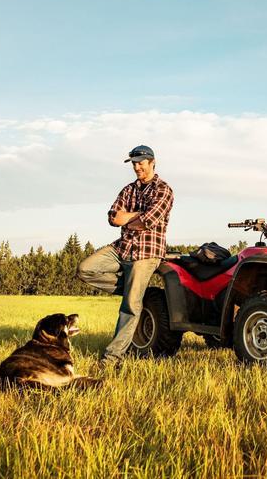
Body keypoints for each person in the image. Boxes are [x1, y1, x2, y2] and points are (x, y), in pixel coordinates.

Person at [77, 145, 173, 367]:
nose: (137, 167)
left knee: (130, 306)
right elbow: (112, 217)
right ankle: (133, 290)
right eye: (134, 163)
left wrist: (127, 217)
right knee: (85, 269)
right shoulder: (128, 189)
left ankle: (112, 358)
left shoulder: (163, 189)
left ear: (152, 162)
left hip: (146, 252)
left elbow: (148, 221)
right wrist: (135, 216)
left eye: (141, 162)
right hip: (122, 247)